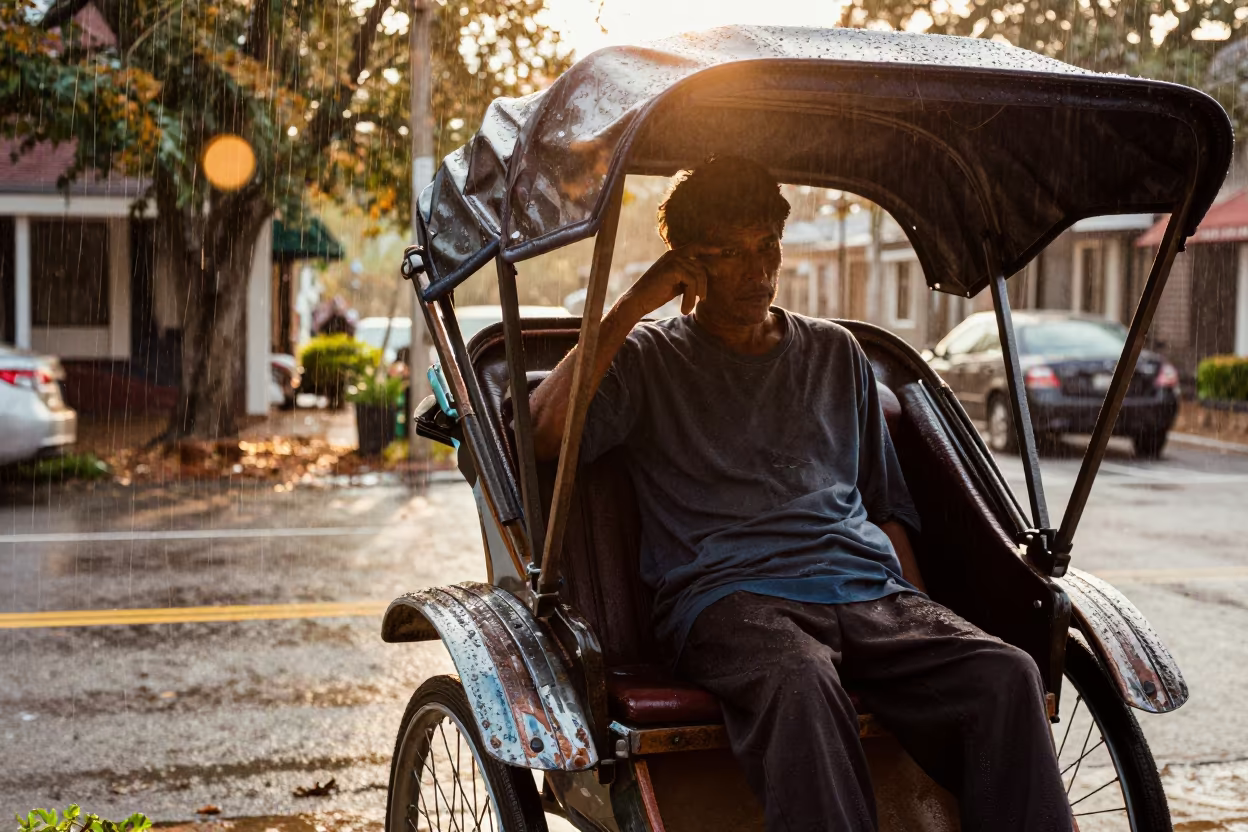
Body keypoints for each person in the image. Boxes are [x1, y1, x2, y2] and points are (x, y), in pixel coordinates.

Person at [529, 156, 1073, 832]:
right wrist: (634, 303)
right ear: (686, 262)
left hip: (866, 592)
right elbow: (543, 436)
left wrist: (922, 617)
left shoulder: (838, 354)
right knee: (801, 683)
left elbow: (884, 510)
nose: (755, 271)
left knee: (1006, 675)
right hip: (730, 599)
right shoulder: (649, 358)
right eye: (724, 253)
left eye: (766, 246)